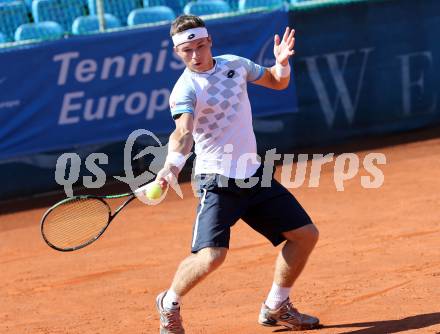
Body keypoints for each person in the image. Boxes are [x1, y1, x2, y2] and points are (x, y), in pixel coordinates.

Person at [154, 14, 320, 333]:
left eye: (200, 46)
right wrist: (171, 166)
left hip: (253, 174)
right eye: (187, 50)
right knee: (212, 256)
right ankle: (169, 301)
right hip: (216, 182)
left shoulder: (236, 64)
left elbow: (276, 80)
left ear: (209, 42)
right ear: (177, 53)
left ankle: (276, 306)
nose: (196, 55)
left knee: (305, 236)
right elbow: (183, 132)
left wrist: (282, 63)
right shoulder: (184, 90)